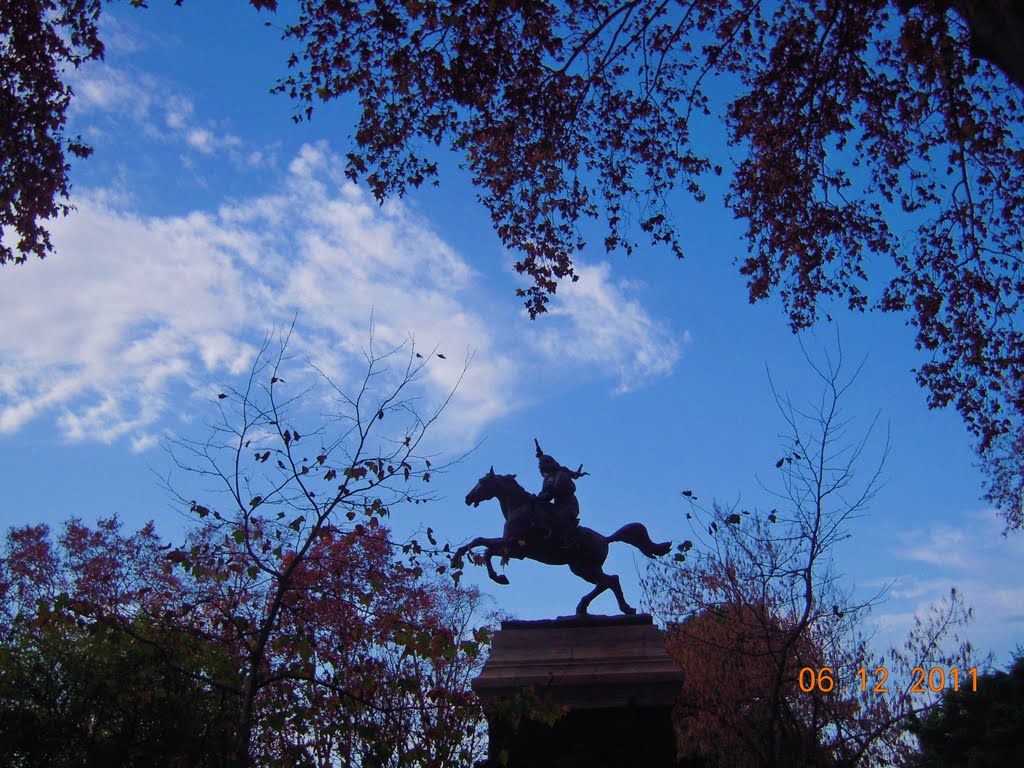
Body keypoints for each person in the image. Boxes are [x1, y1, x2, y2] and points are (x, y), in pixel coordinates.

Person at [532, 439, 588, 551]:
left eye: (542, 465)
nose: (540, 468)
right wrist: (536, 499)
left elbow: (570, 488)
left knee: (560, 517)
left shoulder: (561, 475)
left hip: (568, 505)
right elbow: (545, 494)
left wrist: (554, 491)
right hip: (557, 504)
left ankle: (571, 540)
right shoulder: (548, 479)